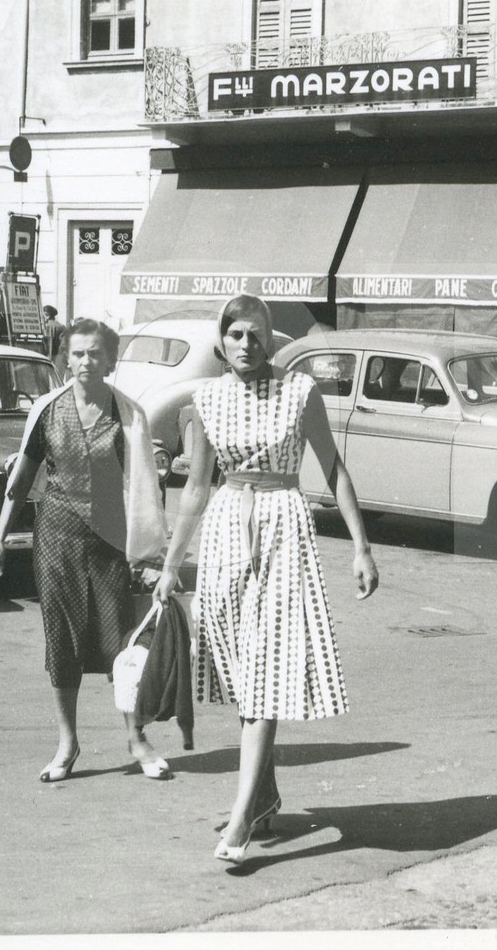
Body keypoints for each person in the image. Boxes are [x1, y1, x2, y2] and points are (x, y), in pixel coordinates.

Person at [154, 294, 379, 864]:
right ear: (222, 342)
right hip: (229, 531)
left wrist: (361, 546)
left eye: (256, 335)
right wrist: (170, 564)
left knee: (264, 673)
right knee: (239, 667)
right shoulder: (205, 399)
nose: (246, 345)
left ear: (270, 339)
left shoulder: (299, 392)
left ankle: (240, 820)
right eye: (236, 335)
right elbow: (197, 491)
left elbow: (332, 467)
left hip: (284, 529)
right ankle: (264, 798)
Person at [0, 318, 172, 782]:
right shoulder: (48, 411)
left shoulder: (127, 414)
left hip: (110, 542)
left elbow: (145, 487)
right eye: (79, 353)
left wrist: (148, 554)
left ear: (110, 360)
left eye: (96, 353)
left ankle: (137, 739)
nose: (87, 361)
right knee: (61, 639)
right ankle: (67, 744)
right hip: (57, 540)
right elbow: (20, 482)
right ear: (66, 358)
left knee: (121, 643)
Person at [43, 306, 70, 383]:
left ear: (47, 315)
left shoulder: (46, 326)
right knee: (57, 382)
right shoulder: (61, 326)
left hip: (49, 357)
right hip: (60, 358)